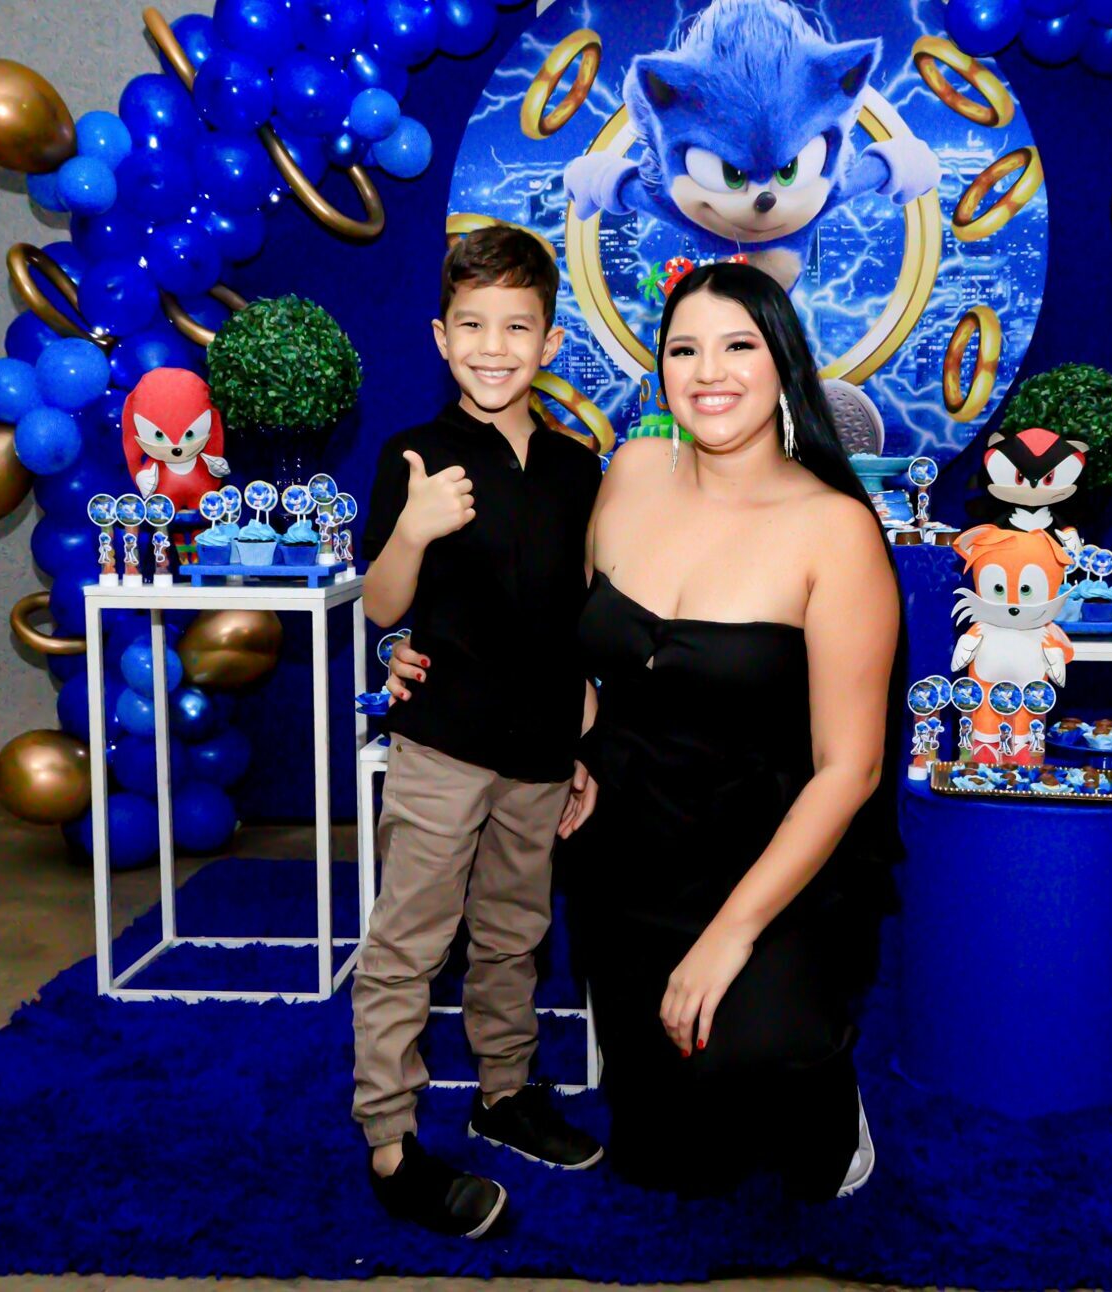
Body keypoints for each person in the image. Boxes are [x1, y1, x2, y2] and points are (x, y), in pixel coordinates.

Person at [386, 261, 904, 1199]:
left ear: (784, 362)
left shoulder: (837, 529)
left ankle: (826, 1085)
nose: (710, 371)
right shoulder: (626, 474)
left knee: (769, 1104)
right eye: (684, 349)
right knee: (671, 1164)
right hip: (629, 847)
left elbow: (850, 769)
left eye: (738, 345)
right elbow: (548, 621)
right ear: (660, 368)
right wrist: (429, 654)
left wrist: (731, 938)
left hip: (768, 859)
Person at [352, 226, 604, 1241]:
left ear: (549, 341)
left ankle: (504, 1093)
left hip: (540, 749)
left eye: (516, 326)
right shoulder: (413, 457)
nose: (493, 347)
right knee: (410, 939)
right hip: (444, 743)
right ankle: (389, 1139)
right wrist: (413, 529)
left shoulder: (579, 468)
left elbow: (580, 612)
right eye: (472, 325)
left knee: (514, 933)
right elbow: (382, 607)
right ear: (440, 336)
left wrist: (586, 736)